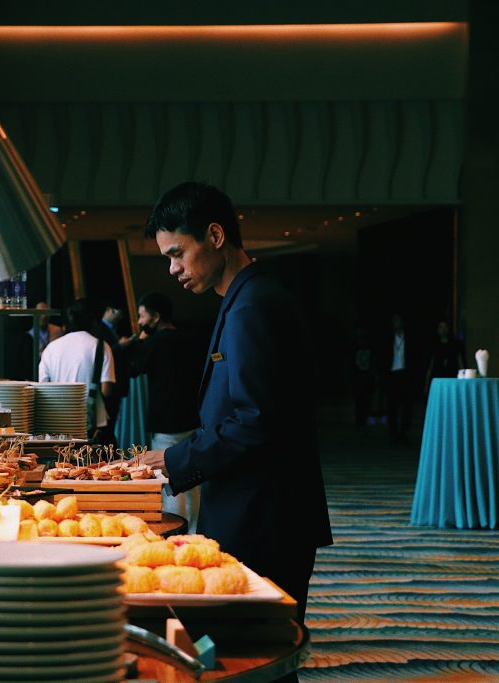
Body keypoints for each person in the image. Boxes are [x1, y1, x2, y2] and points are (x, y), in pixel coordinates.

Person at [142, 181, 332, 642]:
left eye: (177, 253)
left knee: (256, 658)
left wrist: (175, 459)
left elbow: (255, 420)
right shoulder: (247, 298)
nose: (172, 269)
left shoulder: (253, 306)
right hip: (262, 510)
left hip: (265, 517)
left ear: (215, 236)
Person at [129, 291, 205, 532]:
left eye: (142, 316)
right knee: (194, 480)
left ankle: (175, 534)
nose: (140, 322)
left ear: (156, 316)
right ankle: (195, 531)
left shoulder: (153, 342)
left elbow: (134, 368)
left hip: (166, 422)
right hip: (194, 418)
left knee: (170, 481)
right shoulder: (192, 338)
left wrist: (139, 341)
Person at [39, 298, 115, 441]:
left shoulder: (51, 348)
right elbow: (106, 389)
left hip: (56, 422)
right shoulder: (101, 347)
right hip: (91, 426)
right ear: (94, 321)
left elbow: (42, 386)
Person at [97, 302, 129, 445]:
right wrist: (119, 346)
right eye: (116, 312)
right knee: (107, 430)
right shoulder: (101, 329)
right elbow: (103, 354)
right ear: (108, 310)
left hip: (116, 385)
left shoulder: (112, 328)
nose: (119, 316)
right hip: (106, 385)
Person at [384, 313, 414, 445]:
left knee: (406, 404)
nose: (397, 324)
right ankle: (393, 433)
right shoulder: (388, 338)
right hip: (391, 374)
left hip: (405, 374)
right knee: (392, 405)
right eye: (394, 321)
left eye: (398, 321)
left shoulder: (409, 338)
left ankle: (403, 432)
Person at [424, 320, 464, 393]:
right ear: (438, 330)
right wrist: (427, 384)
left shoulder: (455, 345)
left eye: (445, 327)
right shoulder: (434, 346)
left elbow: (460, 363)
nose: (443, 330)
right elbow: (430, 366)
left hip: (452, 378)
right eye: (441, 327)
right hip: (438, 379)